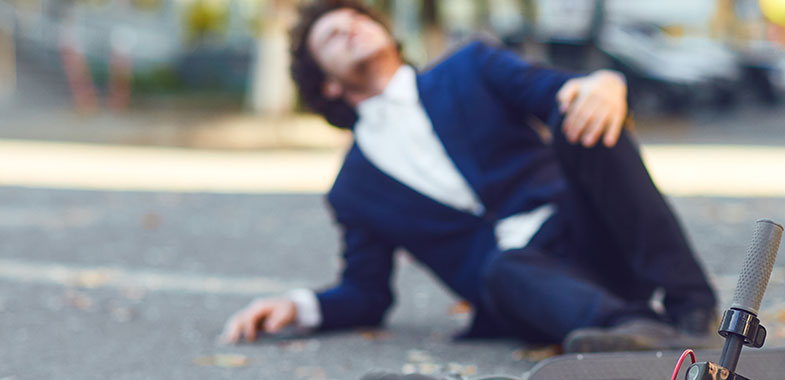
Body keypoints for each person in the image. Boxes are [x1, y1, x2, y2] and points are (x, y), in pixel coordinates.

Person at [221, 0, 718, 352]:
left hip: (589, 234)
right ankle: (634, 331)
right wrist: (299, 305)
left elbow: (553, 91)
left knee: (580, 117)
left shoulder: (470, 66)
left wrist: (604, 83)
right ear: (326, 83)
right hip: (530, 293)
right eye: (331, 34)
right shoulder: (352, 190)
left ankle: (691, 307)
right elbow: (367, 294)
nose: (350, 26)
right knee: (501, 267)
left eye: (357, 17)